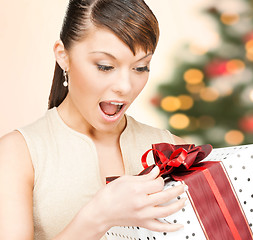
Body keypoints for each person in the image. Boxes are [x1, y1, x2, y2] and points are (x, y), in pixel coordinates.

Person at [0, 0, 188, 239]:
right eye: (105, 66)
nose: (125, 86)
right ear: (63, 56)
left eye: (141, 68)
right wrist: (98, 217)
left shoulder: (176, 151)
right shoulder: (18, 154)